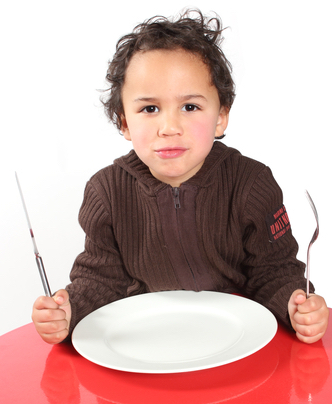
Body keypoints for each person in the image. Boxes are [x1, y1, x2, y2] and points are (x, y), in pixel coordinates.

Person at [32, 9, 329, 345]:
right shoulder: (106, 192)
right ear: (124, 122)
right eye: (149, 108)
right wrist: (67, 310)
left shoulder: (252, 183)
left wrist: (296, 304)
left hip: (236, 335)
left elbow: (273, 271)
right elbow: (99, 280)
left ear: (221, 117)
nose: (169, 127)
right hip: (143, 340)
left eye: (190, 107)